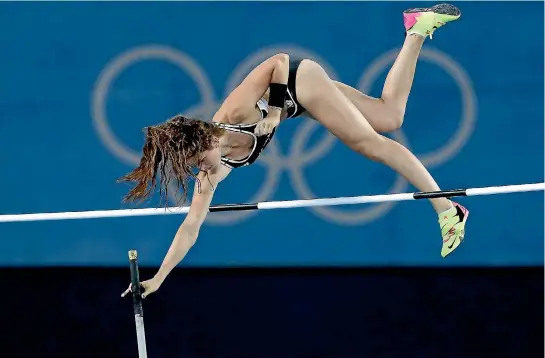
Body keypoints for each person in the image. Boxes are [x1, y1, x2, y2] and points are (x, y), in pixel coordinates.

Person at [121, 3, 469, 299]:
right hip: (298, 100)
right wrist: (159, 278)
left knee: (373, 146)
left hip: (297, 79)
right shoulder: (213, 171)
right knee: (388, 115)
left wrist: (273, 111)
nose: (202, 169)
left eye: (198, 160)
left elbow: (278, 60)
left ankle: (447, 210)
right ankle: (416, 29)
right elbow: (191, 226)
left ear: (205, 140)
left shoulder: (234, 113)